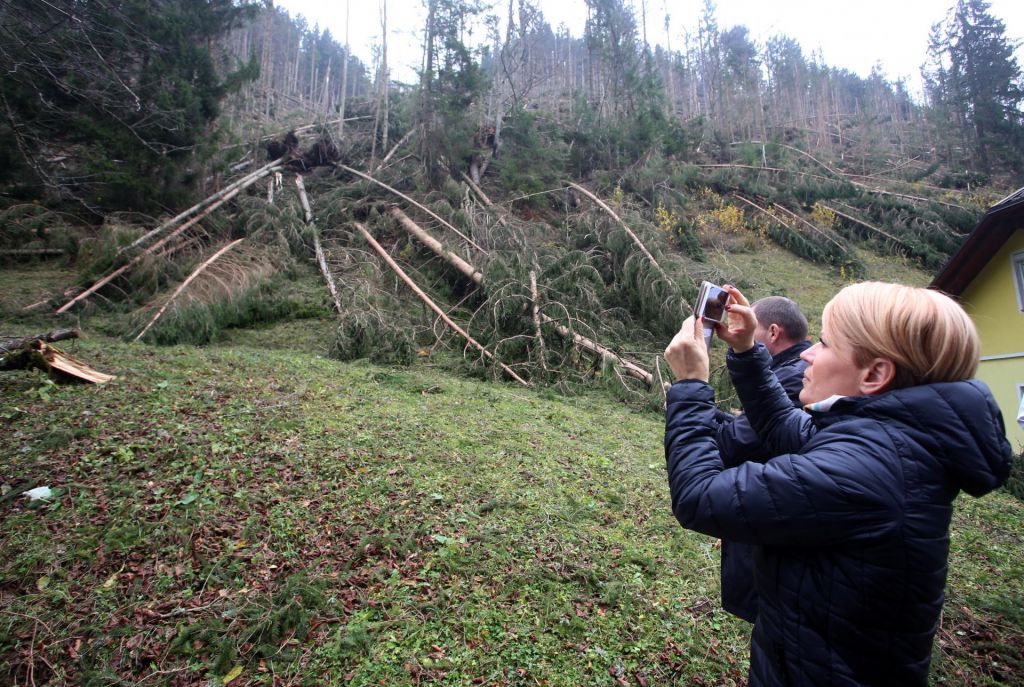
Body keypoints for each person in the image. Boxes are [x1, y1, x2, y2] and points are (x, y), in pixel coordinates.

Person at [663, 282, 1011, 687]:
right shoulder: (887, 440)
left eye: (826, 344)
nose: (808, 352)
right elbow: (785, 426)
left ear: (875, 373)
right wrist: (747, 351)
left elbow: (699, 496)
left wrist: (690, 386)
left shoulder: (865, 472)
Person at [715, 296, 811, 623]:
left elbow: (735, 444)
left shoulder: (795, 377)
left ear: (772, 332)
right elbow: (750, 428)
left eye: (750, 330)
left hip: (769, 528)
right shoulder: (789, 370)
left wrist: (691, 397)